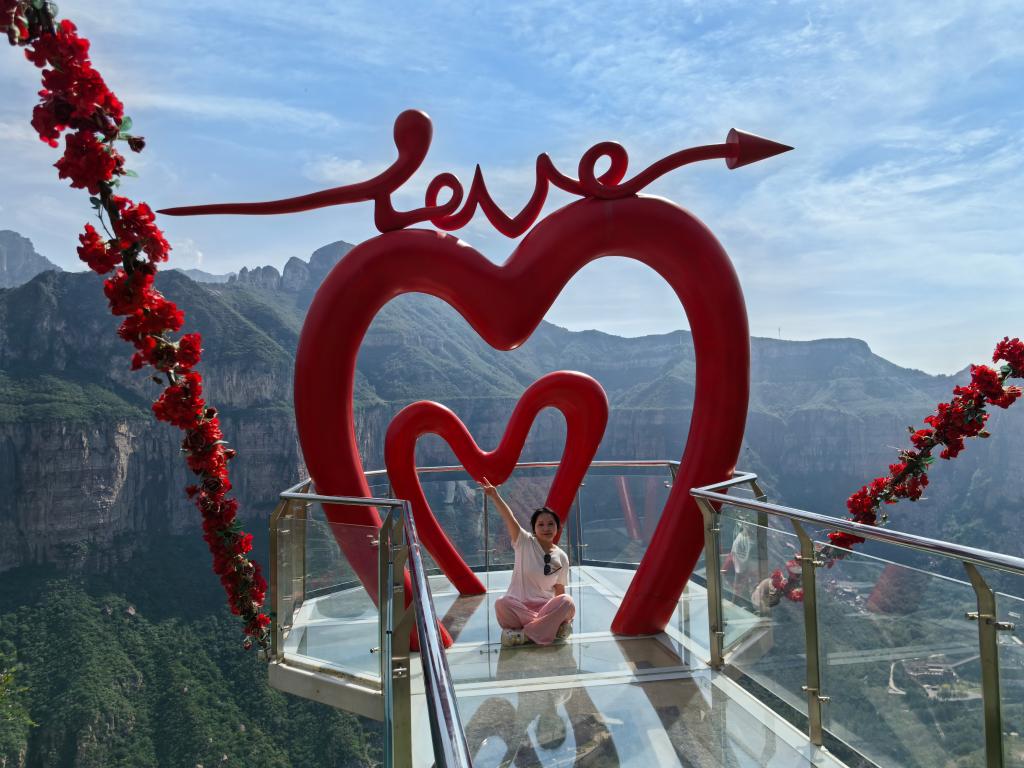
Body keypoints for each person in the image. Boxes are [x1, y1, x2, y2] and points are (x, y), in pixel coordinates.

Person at [481, 477, 575, 646]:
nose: (546, 528)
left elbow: (559, 591)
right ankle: (547, 628)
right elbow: (509, 518)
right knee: (501, 604)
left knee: (567, 601)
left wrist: (562, 612)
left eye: (550, 524)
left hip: (545, 608)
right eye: (541, 525)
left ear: (557, 527)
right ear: (534, 528)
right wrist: (495, 495)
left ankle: (523, 635)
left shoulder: (561, 556)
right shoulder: (524, 542)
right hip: (519, 608)